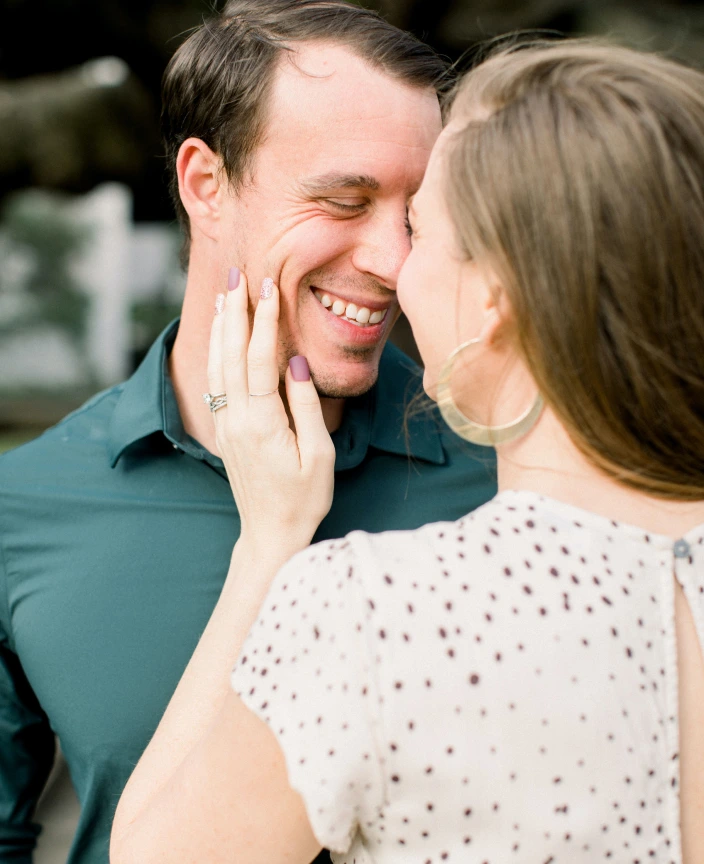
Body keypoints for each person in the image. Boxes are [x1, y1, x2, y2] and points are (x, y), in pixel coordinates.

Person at [110, 36, 704, 864]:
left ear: (495, 298)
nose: (394, 264)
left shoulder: (370, 610)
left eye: (421, 227)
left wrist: (270, 544)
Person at [0, 3, 498, 862]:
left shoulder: (512, 478)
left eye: (417, 214)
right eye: (346, 200)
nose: (394, 260)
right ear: (205, 183)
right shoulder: (25, 506)